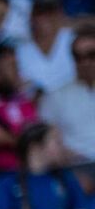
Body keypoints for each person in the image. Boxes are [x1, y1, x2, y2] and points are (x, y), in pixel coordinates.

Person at [39, 28, 95, 164]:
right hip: (78, 169)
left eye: (92, 55)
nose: (85, 62)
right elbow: (47, 139)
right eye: (78, 57)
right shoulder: (55, 95)